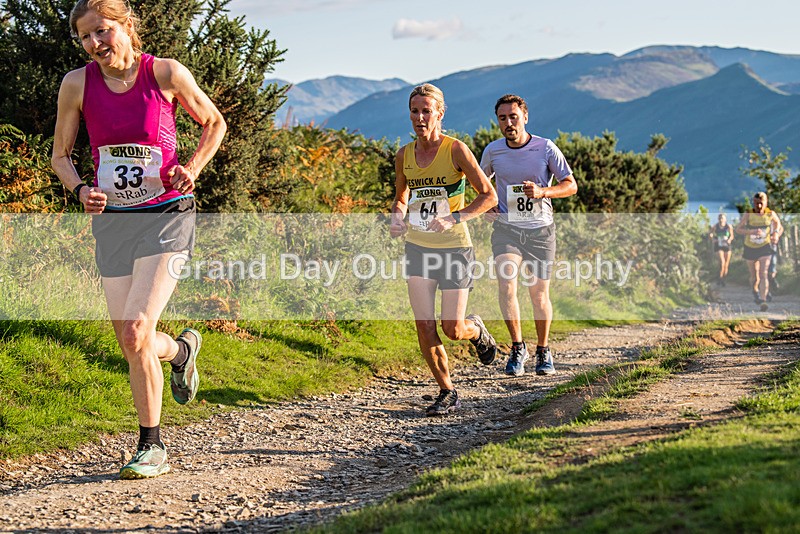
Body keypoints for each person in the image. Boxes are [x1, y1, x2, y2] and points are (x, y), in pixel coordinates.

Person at [51, 0, 226, 479]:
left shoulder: (165, 73)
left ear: (126, 26)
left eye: (102, 31)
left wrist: (191, 168)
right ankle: (182, 352)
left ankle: (152, 447)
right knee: (134, 342)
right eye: (85, 37)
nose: (95, 43)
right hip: (113, 221)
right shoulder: (77, 84)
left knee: (134, 329)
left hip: (167, 215)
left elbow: (214, 123)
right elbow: (60, 156)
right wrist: (80, 189)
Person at [389, 83, 498, 416]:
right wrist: (397, 217)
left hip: (454, 248)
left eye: (426, 111)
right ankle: (447, 391)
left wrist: (454, 217)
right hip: (418, 247)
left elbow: (489, 196)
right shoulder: (404, 155)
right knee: (424, 325)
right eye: (414, 111)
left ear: (439, 113)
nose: (420, 117)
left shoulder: (455, 150)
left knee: (453, 329)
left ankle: (475, 329)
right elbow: (401, 197)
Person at [480, 94, 577, 377]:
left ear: (525, 117)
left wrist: (543, 191)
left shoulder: (545, 148)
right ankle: (517, 347)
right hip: (507, 230)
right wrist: (486, 207)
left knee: (538, 294)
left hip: (540, 232)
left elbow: (570, 185)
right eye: (502, 118)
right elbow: (480, 184)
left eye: (513, 117)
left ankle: (543, 350)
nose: (508, 123)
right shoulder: (493, 151)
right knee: (507, 286)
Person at [735, 192, 783, 312]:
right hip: (750, 247)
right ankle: (755, 290)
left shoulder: (770, 214)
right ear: (753, 202)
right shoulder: (749, 214)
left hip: (764, 246)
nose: (759, 206)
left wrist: (776, 234)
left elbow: (778, 224)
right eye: (757, 203)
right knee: (754, 277)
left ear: (766, 202)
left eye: (761, 203)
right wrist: (751, 232)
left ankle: (763, 300)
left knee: (763, 274)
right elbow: (738, 229)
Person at [709, 213, 734, 286]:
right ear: (718, 219)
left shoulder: (728, 226)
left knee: (726, 264)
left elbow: (732, 236)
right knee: (722, 262)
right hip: (718, 245)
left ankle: (723, 279)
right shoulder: (716, 226)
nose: (721, 220)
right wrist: (713, 239)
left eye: (722, 218)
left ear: (725, 219)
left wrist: (729, 240)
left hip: (726, 245)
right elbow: (710, 233)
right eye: (720, 218)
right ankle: (719, 278)